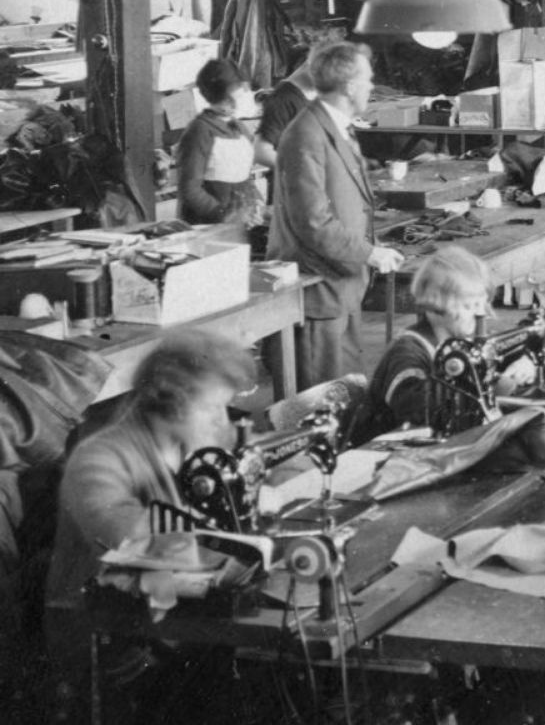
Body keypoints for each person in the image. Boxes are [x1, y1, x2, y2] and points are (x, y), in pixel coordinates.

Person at [44, 329, 257, 710]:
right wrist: (238, 554)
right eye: (212, 409)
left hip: (170, 623)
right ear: (171, 402)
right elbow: (137, 543)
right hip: (113, 653)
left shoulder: (186, 446)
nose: (223, 421)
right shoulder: (98, 460)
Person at [271, 41, 404, 386]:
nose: (372, 86)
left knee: (348, 395)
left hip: (342, 283)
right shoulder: (306, 134)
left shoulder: (336, 127)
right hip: (320, 290)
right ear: (349, 86)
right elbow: (313, 223)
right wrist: (370, 253)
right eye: (368, 79)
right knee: (322, 402)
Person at [346, 247, 541, 445]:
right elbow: (419, 411)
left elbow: (491, 364)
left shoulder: (466, 342)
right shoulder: (407, 352)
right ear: (437, 305)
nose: (482, 314)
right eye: (470, 306)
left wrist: (522, 364)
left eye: (483, 304)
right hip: (385, 458)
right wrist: (495, 385)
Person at [175, 59, 264, 226]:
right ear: (222, 99)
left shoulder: (239, 128)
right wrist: (224, 216)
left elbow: (245, 177)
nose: (241, 97)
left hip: (240, 224)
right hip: (208, 226)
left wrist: (256, 203)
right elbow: (190, 190)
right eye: (235, 94)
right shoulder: (199, 131)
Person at [254, 56, 319, 170]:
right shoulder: (284, 99)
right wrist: (302, 171)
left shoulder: (318, 95)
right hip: (293, 183)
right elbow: (261, 151)